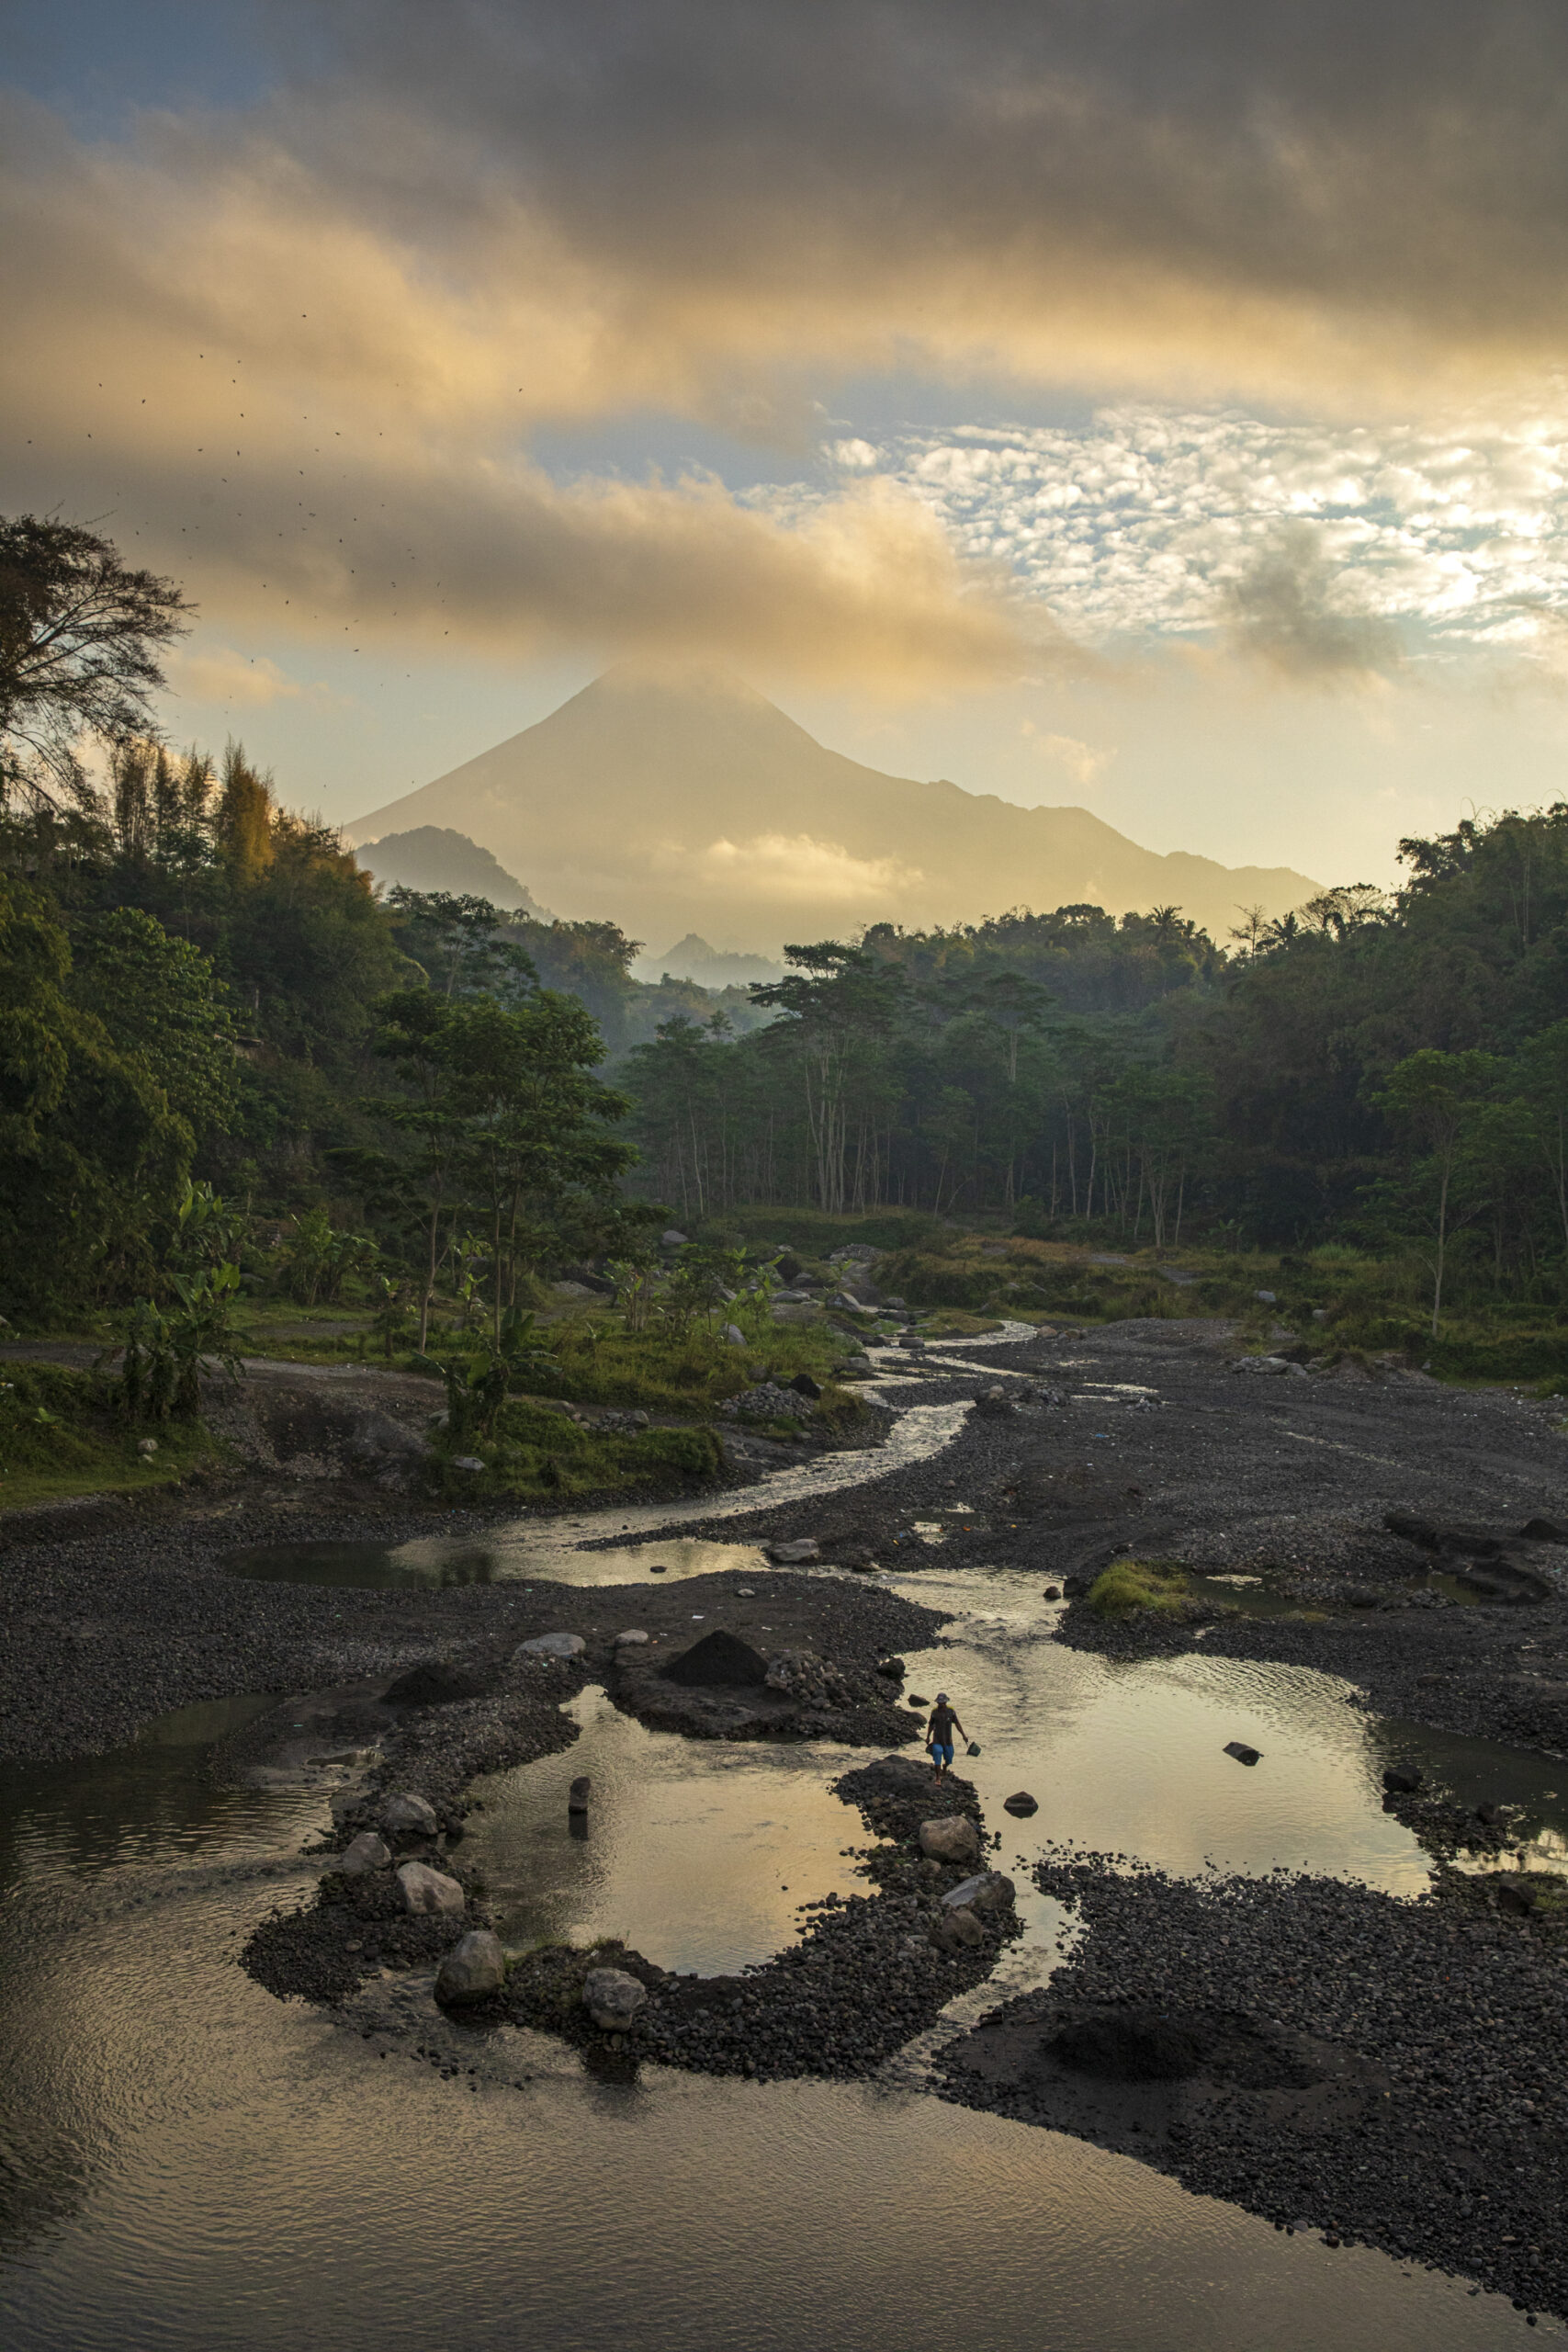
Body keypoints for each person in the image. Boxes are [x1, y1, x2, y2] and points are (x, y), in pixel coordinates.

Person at [926, 1690, 966, 1781]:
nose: (941, 1705)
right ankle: (938, 1778)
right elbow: (931, 1725)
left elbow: (957, 1723)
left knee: (949, 1758)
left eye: (943, 1703)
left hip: (948, 1740)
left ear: (946, 1702)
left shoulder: (951, 1711)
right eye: (940, 1703)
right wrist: (928, 1737)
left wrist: (963, 1735)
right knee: (937, 1757)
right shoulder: (934, 1712)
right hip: (937, 1739)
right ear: (937, 1703)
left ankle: (945, 1766)